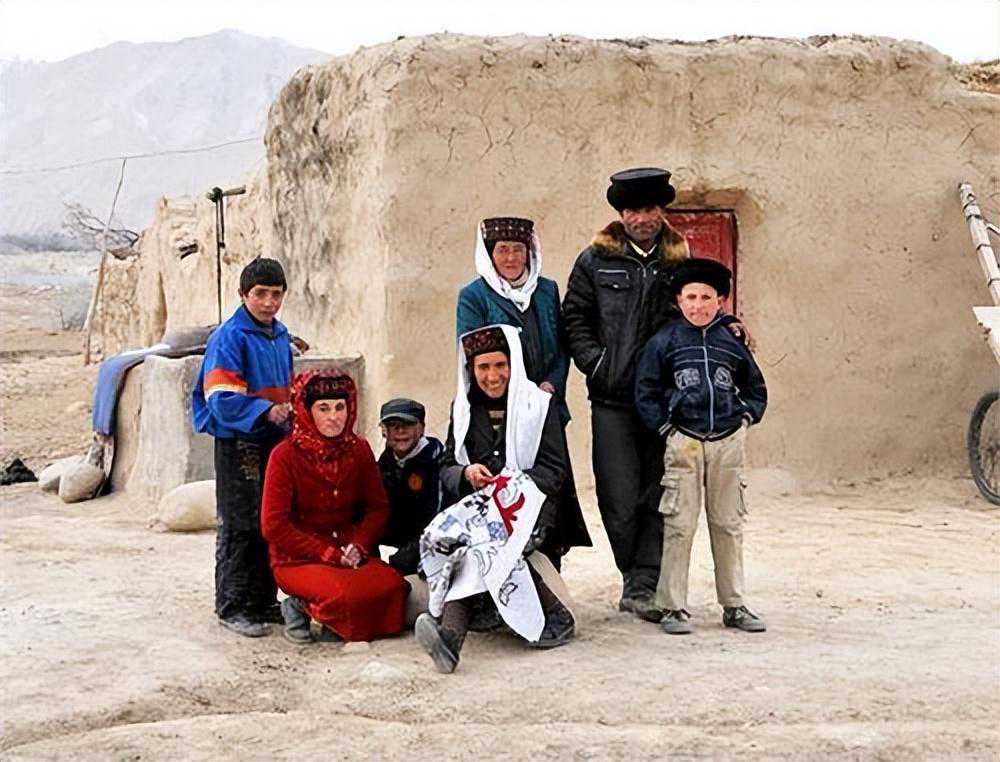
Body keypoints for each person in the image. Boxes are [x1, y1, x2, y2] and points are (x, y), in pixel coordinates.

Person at [562, 167, 690, 619]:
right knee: (617, 495)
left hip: (662, 401)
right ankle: (630, 569)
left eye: (650, 209)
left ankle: (643, 581)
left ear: (662, 211)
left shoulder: (680, 263)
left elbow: (700, 310)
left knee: (656, 490)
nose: (642, 218)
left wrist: (729, 326)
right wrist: (598, 364)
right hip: (612, 400)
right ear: (621, 214)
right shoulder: (594, 261)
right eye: (633, 210)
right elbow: (574, 317)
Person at [414, 325, 579, 673]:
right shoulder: (463, 409)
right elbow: (447, 466)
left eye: (500, 365)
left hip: (531, 509)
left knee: (483, 547)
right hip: (481, 509)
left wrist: (509, 484)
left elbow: (554, 469)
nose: (492, 376)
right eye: (483, 367)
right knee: (453, 542)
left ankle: (552, 617)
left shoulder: (539, 406)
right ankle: (456, 636)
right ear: (471, 370)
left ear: (513, 363)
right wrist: (466, 473)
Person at [634, 258, 768, 634]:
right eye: (690, 297)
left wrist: (745, 418)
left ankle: (734, 604)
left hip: (727, 443)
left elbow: (755, 388)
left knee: (728, 523)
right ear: (679, 301)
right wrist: (667, 428)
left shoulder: (733, 343)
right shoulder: (665, 342)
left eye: (706, 297)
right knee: (679, 524)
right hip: (685, 443)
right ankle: (673, 606)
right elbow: (645, 390)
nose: (698, 305)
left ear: (720, 301)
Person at [457, 217, 591, 563]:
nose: (511, 258)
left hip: (543, 406)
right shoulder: (474, 296)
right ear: (490, 254)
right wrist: (507, 389)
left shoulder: (546, 291)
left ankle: (548, 564)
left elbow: (560, 347)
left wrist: (550, 387)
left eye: (518, 249)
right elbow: (471, 352)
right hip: (495, 405)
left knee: (547, 482)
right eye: (502, 250)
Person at [260, 370, 408, 644]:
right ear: (307, 411)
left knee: (394, 586)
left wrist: (360, 545)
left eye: (340, 407)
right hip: (299, 559)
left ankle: (332, 619)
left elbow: (377, 507)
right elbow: (274, 525)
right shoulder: (284, 456)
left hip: (349, 552)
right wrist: (326, 553)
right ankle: (299, 605)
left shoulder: (359, 449)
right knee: (345, 596)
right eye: (324, 408)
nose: (334, 416)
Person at [192, 257, 293, 638]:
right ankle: (233, 605)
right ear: (243, 294)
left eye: (276, 294)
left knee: (269, 519)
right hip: (239, 441)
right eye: (261, 294)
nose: (269, 302)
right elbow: (221, 398)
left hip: (272, 439)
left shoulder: (279, 335)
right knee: (240, 523)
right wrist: (267, 411)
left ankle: (263, 601)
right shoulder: (230, 337)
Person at [376, 397, 444, 575]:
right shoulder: (383, 464)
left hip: (429, 553)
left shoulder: (437, 463)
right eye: (393, 425)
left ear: (421, 428)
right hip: (394, 547)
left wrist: (402, 559)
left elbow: (435, 522)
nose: (400, 431)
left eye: (408, 424)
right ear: (384, 431)